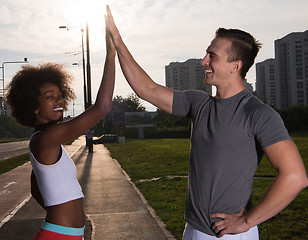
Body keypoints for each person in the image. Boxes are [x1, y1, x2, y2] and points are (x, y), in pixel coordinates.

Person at [105, 6, 308, 240]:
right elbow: (146, 89)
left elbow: (295, 176)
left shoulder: (259, 114)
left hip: (228, 235)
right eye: (206, 54)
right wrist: (118, 44)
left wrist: (246, 221)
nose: (204, 61)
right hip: (192, 229)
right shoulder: (198, 103)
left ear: (236, 65)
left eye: (212, 56)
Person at [5, 21, 116, 240]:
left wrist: (62, 214)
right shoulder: (47, 139)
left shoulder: (44, 140)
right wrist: (111, 55)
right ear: (33, 106)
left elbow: (37, 189)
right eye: (49, 97)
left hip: (66, 234)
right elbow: (102, 107)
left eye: (59, 94)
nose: (59, 100)